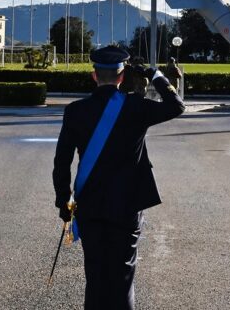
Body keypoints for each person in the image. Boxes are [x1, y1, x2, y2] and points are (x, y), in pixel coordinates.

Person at [53, 46, 185, 309]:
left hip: (90, 206)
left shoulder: (75, 111)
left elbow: (62, 162)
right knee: (122, 278)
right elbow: (176, 106)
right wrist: (156, 74)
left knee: (96, 276)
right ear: (122, 77)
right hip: (126, 206)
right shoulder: (136, 107)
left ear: (94, 75)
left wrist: (63, 204)